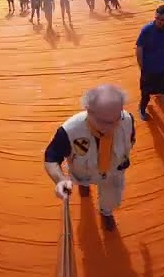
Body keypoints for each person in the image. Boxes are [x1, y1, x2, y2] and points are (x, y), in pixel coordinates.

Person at [44, 84, 136, 232]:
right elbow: (51, 158)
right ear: (88, 110)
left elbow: (130, 139)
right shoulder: (69, 131)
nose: (112, 127)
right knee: (82, 181)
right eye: (104, 122)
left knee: (111, 198)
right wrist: (60, 180)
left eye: (117, 118)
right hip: (83, 172)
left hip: (113, 173)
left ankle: (106, 212)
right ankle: (84, 185)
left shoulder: (128, 120)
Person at [135, 5, 164, 120]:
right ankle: (142, 108)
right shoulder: (147, 30)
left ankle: (152, 97)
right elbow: (139, 48)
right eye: (157, 18)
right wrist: (141, 65)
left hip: (161, 66)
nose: (159, 22)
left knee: (157, 87)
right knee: (145, 91)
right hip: (148, 67)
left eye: (162, 20)